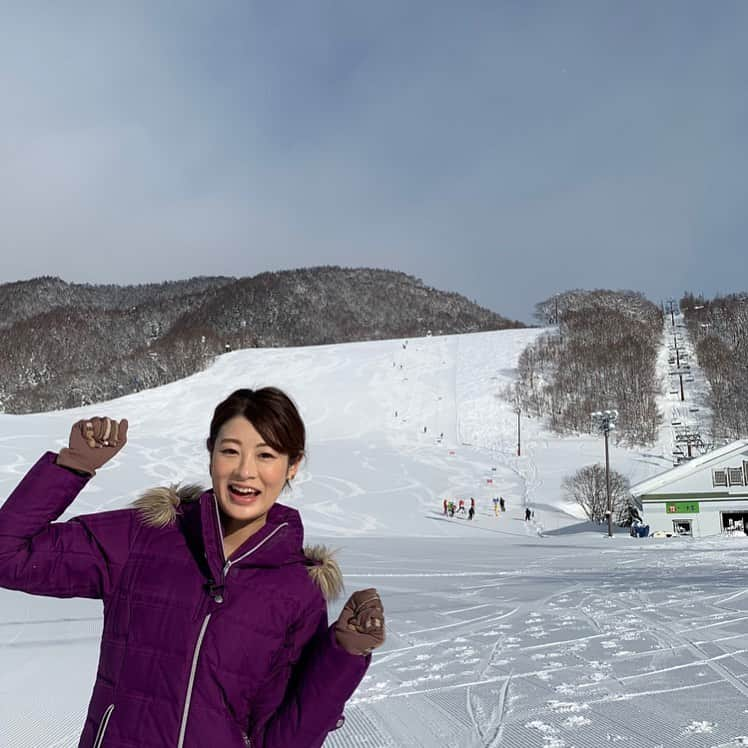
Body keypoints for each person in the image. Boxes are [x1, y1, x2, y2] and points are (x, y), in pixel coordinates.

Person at [0, 388, 385, 748]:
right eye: (230, 451)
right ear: (211, 453)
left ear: (292, 466)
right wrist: (73, 466)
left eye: (266, 455)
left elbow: (282, 739)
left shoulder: (297, 590)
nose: (245, 472)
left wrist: (343, 657)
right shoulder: (145, 536)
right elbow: (8, 557)